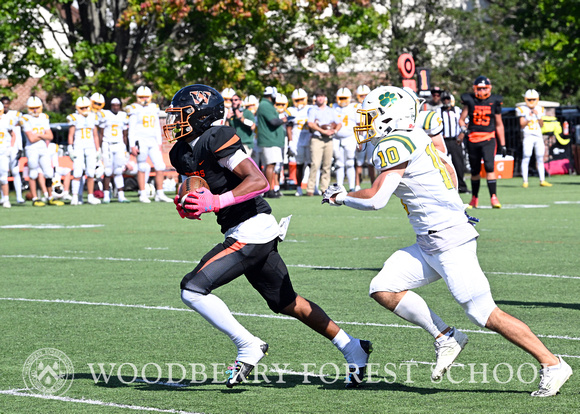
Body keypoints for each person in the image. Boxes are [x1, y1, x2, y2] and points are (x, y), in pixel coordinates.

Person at [322, 85, 572, 397]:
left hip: (449, 240)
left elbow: (376, 199)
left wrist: (341, 196)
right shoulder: (415, 138)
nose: (366, 122)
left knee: (485, 314)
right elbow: (451, 176)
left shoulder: (397, 142)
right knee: (383, 287)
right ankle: (445, 336)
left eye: (371, 115)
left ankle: (552, 363)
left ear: (390, 116)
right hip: (431, 239)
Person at [164, 84, 372, 389]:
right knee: (286, 301)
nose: (174, 122)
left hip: (252, 227)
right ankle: (353, 347)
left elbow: (258, 180)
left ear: (202, 116)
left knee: (192, 289)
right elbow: (194, 186)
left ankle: (248, 345)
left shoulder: (216, 137)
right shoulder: (180, 151)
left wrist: (217, 202)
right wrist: (188, 203)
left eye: (181, 115)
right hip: (243, 229)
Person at [459, 76, 506, 209]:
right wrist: (463, 129)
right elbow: (462, 119)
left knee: (490, 167)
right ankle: (474, 198)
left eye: (484, 88)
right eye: (479, 88)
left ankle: (494, 197)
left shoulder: (494, 101)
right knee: (475, 171)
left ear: (489, 88)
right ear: (475, 89)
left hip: (488, 138)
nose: (482, 91)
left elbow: (499, 124)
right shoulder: (470, 101)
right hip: (473, 138)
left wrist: (503, 144)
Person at [126, 86, 173, 203]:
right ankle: (142, 193)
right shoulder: (134, 108)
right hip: (140, 140)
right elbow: (131, 129)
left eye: (145, 96)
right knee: (142, 166)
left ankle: (160, 193)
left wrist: (159, 142)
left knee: (160, 166)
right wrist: (132, 145)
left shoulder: (153, 107)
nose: (144, 99)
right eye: (141, 97)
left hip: (152, 140)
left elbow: (157, 126)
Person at [21, 97, 62, 206]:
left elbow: (50, 136)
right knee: (33, 173)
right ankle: (35, 198)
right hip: (32, 149)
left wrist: (39, 135)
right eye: (32, 108)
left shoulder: (44, 117)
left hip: (43, 148)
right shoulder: (25, 119)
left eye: (37, 108)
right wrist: (43, 136)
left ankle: (50, 197)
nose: (35, 110)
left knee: (49, 173)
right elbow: (31, 139)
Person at [307, 89, 342, 196]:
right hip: (317, 138)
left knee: (327, 165)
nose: (320, 98)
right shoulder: (313, 110)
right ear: (316, 98)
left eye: (322, 96)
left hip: (328, 139)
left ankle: (324, 188)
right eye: (318, 96)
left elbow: (339, 123)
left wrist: (334, 131)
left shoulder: (330, 110)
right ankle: (310, 188)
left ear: (325, 98)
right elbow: (311, 124)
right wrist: (323, 131)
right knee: (315, 164)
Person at [67, 97, 102, 205]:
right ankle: (75, 196)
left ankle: (90, 196)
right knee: (77, 172)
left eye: (86, 107)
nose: (85, 109)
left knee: (91, 172)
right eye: (82, 108)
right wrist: (70, 147)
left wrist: (98, 149)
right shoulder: (75, 117)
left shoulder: (93, 117)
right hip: (78, 146)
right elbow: (71, 134)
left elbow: (95, 135)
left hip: (90, 146)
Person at [517, 89, 552, 188]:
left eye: (533, 99)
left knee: (540, 157)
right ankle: (525, 181)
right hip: (528, 135)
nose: (532, 102)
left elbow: (541, 125)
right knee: (526, 156)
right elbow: (522, 124)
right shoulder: (522, 109)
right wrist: (528, 117)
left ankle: (542, 180)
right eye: (530, 99)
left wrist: (538, 116)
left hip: (538, 135)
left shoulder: (540, 109)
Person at [256, 86, 286, 198]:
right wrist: (284, 120)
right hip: (269, 140)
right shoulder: (265, 105)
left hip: (272, 140)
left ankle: (270, 188)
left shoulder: (266, 105)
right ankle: (269, 190)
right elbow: (273, 122)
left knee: (271, 165)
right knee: (270, 165)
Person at [99, 98, 131, 203]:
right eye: (113, 105)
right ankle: (106, 195)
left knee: (118, 170)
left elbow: (125, 134)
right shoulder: (105, 114)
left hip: (119, 144)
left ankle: (121, 195)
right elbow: (101, 133)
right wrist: (99, 148)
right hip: (107, 144)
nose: (115, 107)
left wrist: (126, 148)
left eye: (117, 105)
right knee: (107, 171)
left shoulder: (123, 115)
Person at [437, 92, 469, 193]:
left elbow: (466, 122)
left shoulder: (457, 110)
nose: (446, 101)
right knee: (440, 164)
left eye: (447, 99)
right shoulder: (438, 111)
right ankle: (442, 187)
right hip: (443, 141)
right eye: (444, 99)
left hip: (455, 140)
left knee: (458, 163)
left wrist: (462, 135)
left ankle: (462, 187)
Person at [287, 88, 312, 196]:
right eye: (297, 100)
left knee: (312, 164)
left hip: (310, 139)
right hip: (297, 141)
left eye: (302, 99)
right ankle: (299, 187)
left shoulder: (311, 109)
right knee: (299, 165)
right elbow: (289, 127)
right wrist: (290, 142)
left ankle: (313, 186)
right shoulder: (291, 110)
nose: (300, 102)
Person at [332, 87, 357, 191]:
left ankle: (352, 186)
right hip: (337, 138)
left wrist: (359, 140)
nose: (342, 101)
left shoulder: (354, 107)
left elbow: (359, 124)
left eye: (344, 98)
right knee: (339, 163)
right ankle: (340, 186)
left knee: (350, 162)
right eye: (340, 98)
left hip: (350, 137)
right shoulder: (333, 107)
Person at [0, 96, 25, 204]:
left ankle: (19, 197)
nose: (5, 106)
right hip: (4, 147)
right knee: (2, 174)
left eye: (7, 104)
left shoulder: (14, 115)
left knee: (15, 171)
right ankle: (4, 197)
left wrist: (19, 147)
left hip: (11, 147)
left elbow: (19, 129)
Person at [354, 85, 375, 191]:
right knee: (359, 162)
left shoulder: (374, 105)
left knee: (371, 162)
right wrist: (360, 138)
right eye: (361, 95)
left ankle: (373, 185)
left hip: (371, 133)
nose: (363, 97)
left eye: (365, 95)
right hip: (362, 133)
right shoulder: (357, 107)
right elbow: (359, 123)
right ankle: (357, 185)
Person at [0, 101, 16, 208]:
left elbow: (13, 135)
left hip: (2, 152)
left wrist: (10, 147)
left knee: (3, 177)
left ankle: (6, 199)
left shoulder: (6, 121)